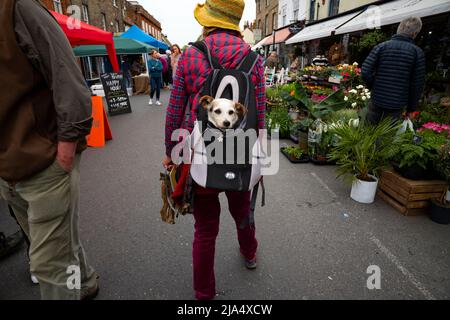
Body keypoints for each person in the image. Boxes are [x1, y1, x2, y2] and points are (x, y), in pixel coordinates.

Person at [162, 0, 265, 300]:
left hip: (199, 155)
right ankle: (249, 253)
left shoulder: (191, 56)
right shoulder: (254, 60)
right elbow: (260, 114)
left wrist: (171, 150)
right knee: (242, 211)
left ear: (209, 22)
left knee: (205, 228)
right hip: (239, 152)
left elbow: (175, 109)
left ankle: (204, 294)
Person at [0, 0, 98, 300]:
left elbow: (68, 79)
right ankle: (86, 280)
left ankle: (75, 287)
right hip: (9, 168)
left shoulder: (18, 8)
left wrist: (65, 151)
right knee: (58, 242)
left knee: (51, 265)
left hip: (45, 161)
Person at [362, 17, 426, 124]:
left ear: (398, 29)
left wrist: (374, 86)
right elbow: (417, 85)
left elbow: (365, 71)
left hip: (376, 100)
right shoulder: (417, 53)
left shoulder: (381, 47)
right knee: (386, 137)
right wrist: (411, 108)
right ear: (415, 33)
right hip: (396, 104)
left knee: (368, 133)